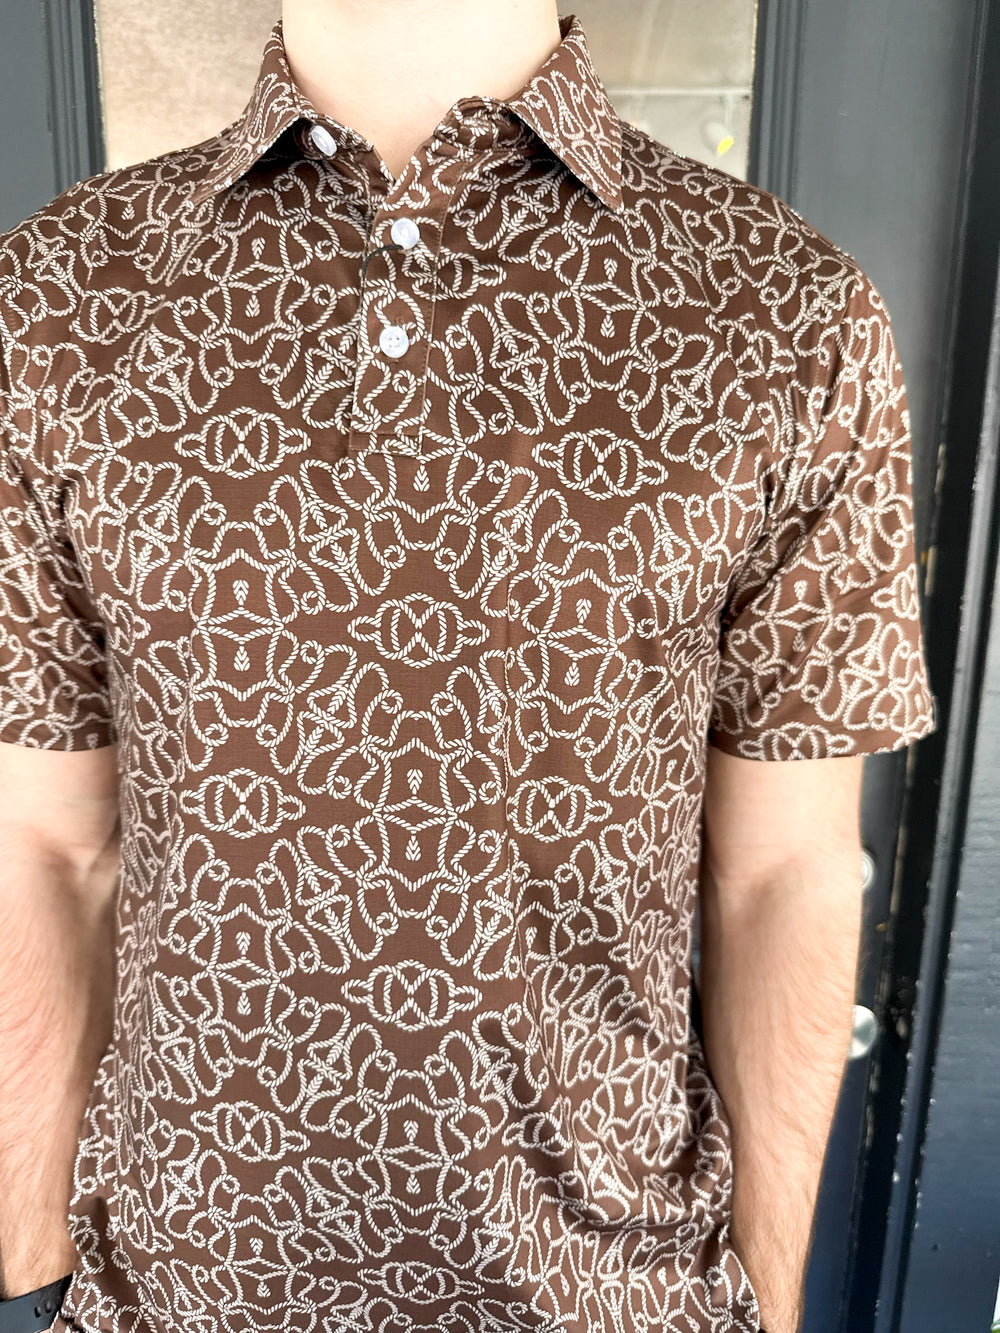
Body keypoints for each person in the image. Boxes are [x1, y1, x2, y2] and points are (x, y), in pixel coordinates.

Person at [0, 1, 937, 1331]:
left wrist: (767, 1304)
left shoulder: (782, 308)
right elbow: (44, 846)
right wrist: (35, 1265)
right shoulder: (59, 296)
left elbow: (783, 869)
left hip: (615, 1299)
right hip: (177, 1293)